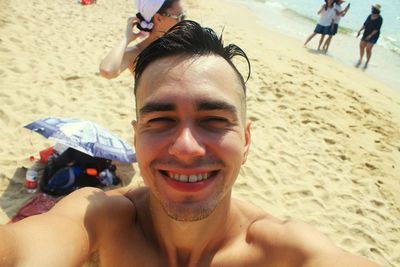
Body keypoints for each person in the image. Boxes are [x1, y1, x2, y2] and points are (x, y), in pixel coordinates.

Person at [0, 21, 381, 267]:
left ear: (245, 141)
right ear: (136, 136)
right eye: (160, 120)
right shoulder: (102, 220)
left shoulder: (284, 253)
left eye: (214, 120)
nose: (185, 147)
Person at [99, 0, 185, 79]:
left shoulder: (181, 43)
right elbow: (107, 71)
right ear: (158, 18)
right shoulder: (137, 53)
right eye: (180, 17)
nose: (183, 22)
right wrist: (126, 38)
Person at [356, 4, 383, 69]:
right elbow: (365, 24)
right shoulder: (369, 16)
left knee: (368, 49)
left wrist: (370, 36)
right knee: (361, 46)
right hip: (366, 33)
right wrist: (360, 30)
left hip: (374, 36)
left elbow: (376, 29)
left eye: (373, 8)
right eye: (372, 8)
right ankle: (360, 59)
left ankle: (367, 62)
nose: (372, 9)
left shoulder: (380, 19)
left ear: (377, 10)